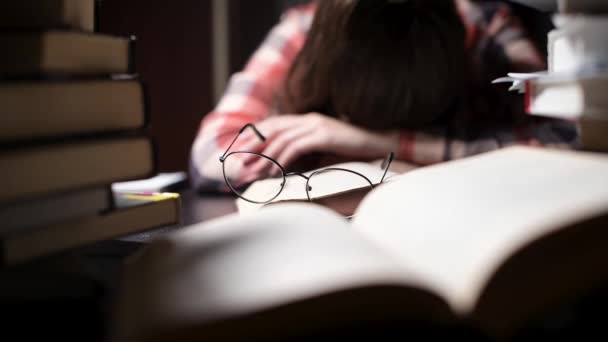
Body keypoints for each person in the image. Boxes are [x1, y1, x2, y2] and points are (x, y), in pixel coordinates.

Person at [190, 0, 578, 192]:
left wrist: (379, 144)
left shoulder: (484, 32)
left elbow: (571, 142)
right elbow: (212, 155)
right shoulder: (303, 32)